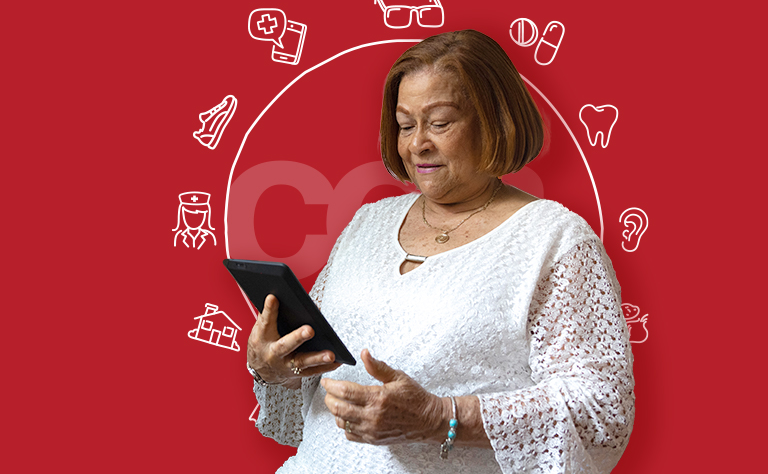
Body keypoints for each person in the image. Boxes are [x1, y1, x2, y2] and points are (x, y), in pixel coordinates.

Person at [245, 30, 634, 473]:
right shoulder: (367, 224)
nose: (417, 144)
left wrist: (439, 417)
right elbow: (317, 376)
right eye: (406, 125)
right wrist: (274, 368)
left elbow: (601, 411)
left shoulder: (554, 241)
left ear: (495, 120)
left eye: (440, 122)